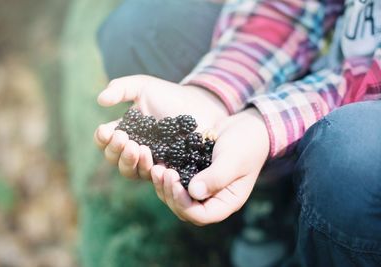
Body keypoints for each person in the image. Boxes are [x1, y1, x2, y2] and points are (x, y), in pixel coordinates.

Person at [94, 0, 381, 266]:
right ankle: (267, 185)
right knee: (138, 31)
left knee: (349, 160)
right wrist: (211, 93)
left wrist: (263, 125)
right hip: (332, 73)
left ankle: (340, 234)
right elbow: (287, 6)